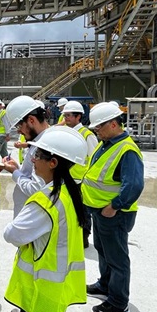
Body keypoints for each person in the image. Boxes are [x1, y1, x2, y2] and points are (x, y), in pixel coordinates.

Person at [4, 127, 88, 312]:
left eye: (38, 156)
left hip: (41, 293)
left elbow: (12, 234)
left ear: (52, 162)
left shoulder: (45, 202)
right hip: (58, 290)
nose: (33, 159)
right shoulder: (70, 191)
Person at [82, 102, 144, 312]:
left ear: (113, 124)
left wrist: (114, 206)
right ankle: (105, 284)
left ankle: (118, 303)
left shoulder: (127, 150)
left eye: (99, 127)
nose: (96, 131)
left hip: (114, 214)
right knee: (103, 249)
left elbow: (134, 185)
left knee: (117, 258)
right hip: (100, 211)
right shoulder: (106, 143)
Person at [1, 95, 51, 312]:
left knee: (34, 268)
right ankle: (27, 309)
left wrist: (14, 173)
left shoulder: (45, 146)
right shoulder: (41, 142)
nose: (20, 133)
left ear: (31, 120)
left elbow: (39, 188)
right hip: (31, 218)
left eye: (20, 126)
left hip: (36, 221)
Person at [62, 100, 99, 248]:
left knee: (82, 211)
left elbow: (94, 158)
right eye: (65, 115)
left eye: (69, 115)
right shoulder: (66, 132)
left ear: (78, 117)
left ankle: (83, 237)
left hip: (81, 180)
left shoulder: (87, 135)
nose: (66, 118)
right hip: (67, 178)